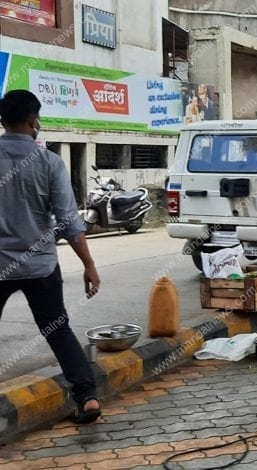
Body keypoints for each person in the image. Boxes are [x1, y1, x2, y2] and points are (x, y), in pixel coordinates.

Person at [0, 90, 102, 424]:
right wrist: (89, 265)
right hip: (41, 265)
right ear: (33, 121)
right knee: (57, 328)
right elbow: (71, 223)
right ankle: (86, 396)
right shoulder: (49, 162)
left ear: (3, 121)